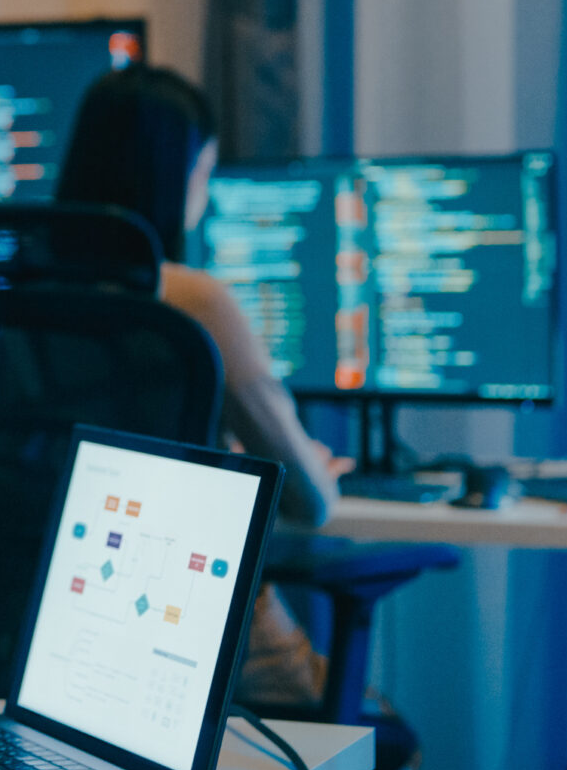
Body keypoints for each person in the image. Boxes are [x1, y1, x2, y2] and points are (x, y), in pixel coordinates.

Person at [54, 63, 351, 706]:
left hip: (59, 631)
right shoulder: (193, 300)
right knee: (386, 740)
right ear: (175, 176)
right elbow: (311, 503)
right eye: (204, 171)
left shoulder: (15, 298)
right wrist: (312, 466)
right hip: (185, 623)